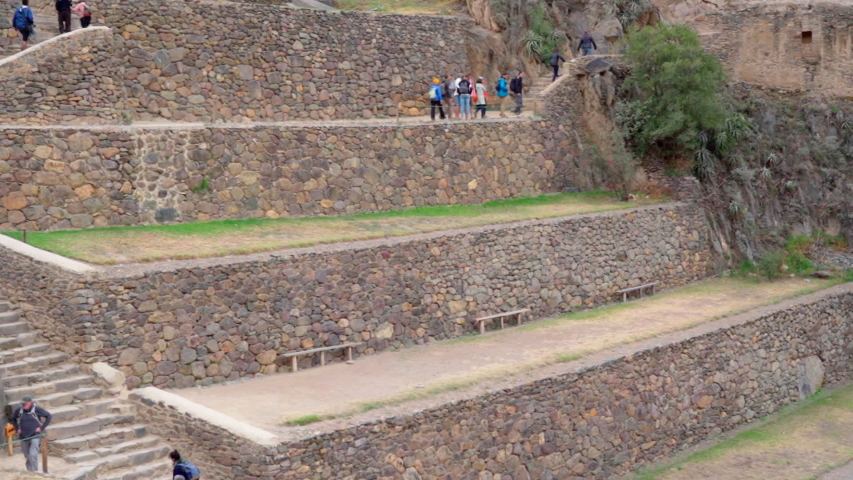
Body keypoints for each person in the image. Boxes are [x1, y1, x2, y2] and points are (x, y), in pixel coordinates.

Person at [11, 396, 52, 472]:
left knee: (33, 455)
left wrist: (41, 428)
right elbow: (13, 419)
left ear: (30, 403)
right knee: (27, 455)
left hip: (35, 435)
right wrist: (17, 428)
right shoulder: (19, 410)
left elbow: (49, 416)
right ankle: (30, 471)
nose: (23, 405)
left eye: (25, 403)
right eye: (22, 404)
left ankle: (35, 472)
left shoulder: (37, 409)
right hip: (23, 436)